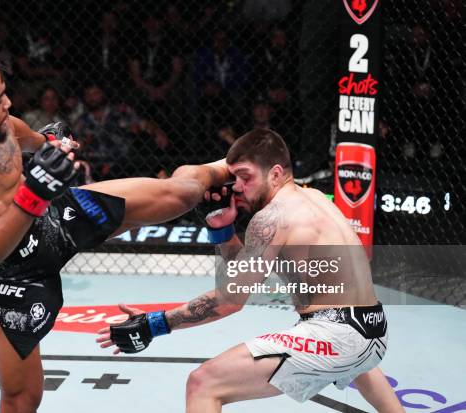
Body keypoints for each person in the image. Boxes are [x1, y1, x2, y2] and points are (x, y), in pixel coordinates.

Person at [0, 16, 230, 413]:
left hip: (53, 217)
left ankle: (239, 167)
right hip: (13, 273)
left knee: (181, 194)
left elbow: (38, 141)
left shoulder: (1, 124)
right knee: (22, 399)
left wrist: (54, 144)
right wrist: (34, 193)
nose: (8, 105)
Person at [98, 129, 405, 413]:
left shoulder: (272, 218)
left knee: (203, 383)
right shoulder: (312, 197)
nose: (239, 188)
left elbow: (229, 301)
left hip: (338, 334)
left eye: (245, 177)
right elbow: (242, 276)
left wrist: (155, 324)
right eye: (234, 178)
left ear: (274, 173)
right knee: (355, 361)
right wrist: (222, 230)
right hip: (373, 329)